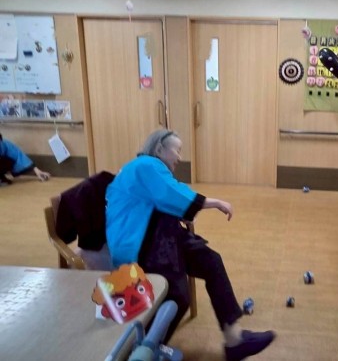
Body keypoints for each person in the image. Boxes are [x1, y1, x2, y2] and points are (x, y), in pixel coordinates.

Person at [105, 129, 275, 361]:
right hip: (139, 245)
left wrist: (181, 213)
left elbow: (158, 200)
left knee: (211, 262)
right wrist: (216, 202)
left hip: (157, 235)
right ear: (159, 149)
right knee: (177, 296)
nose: (180, 157)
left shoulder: (144, 168)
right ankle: (144, 349)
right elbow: (172, 193)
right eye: (177, 150)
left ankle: (234, 339)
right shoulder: (146, 165)